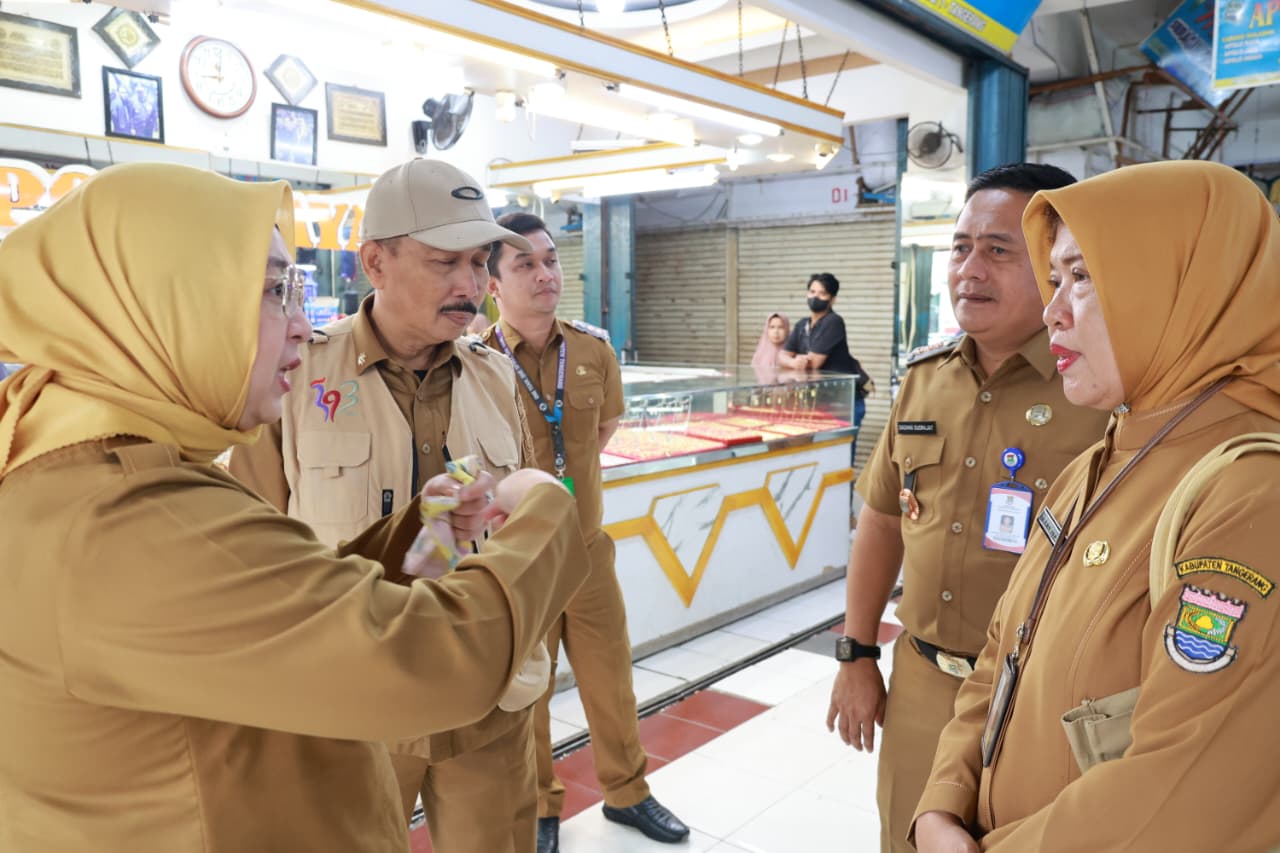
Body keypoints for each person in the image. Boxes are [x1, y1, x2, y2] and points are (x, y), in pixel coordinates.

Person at [0, 162, 590, 852]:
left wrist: (421, 533)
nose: (296, 324)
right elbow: (413, 652)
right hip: (370, 693)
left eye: (479, 260)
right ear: (175, 303)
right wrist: (547, 507)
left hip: (458, 698)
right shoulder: (120, 517)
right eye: (276, 290)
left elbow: (272, 581)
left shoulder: (118, 474)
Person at [913, 161, 1280, 852]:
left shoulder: (1248, 495)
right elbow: (1003, 652)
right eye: (1056, 279)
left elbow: (1179, 791)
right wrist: (940, 804)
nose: (1053, 309)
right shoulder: (1104, 459)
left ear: (1186, 288)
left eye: (1082, 277)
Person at [228, 158, 545, 853]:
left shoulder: (495, 376)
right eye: (443, 263)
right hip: (353, 704)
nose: (471, 285)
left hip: (485, 698)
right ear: (376, 261)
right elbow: (251, 551)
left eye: (478, 260)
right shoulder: (297, 373)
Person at [824, 163, 1111, 853]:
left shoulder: (1099, 387)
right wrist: (857, 652)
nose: (968, 269)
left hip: (1044, 696)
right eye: (959, 247)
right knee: (906, 838)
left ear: (1057, 263)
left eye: (998, 250)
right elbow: (884, 519)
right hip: (921, 682)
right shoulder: (924, 380)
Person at [483, 213, 689, 853]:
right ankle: (542, 804)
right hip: (521, 560)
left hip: (589, 549)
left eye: (550, 260)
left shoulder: (593, 349)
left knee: (610, 678)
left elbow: (601, 435)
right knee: (531, 691)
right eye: (525, 265)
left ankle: (628, 793)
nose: (545, 274)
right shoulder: (476, 361)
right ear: (493, 284)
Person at [777, 272, 872, 432]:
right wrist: (794, 362)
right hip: (817, 402)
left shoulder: (833, 322)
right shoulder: (802, 325)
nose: (815, 297)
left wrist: (797, 360)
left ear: (832, 299)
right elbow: (782, 356)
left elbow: (814, 363)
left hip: (842, 403)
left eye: (822, 293)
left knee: (841, 453)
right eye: (812, 292)